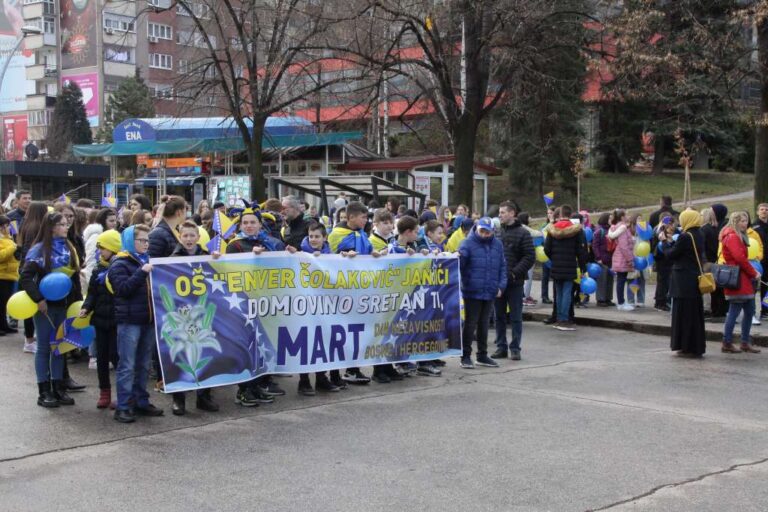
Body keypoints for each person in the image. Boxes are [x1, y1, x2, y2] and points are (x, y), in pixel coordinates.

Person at [20, 212, 82, 408]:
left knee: (59, 347)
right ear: (52, 227)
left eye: (67, 224)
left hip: (64, 305)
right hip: (45, 307)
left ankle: (58, 387)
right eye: (63, 224)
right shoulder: (39, 250)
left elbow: (73, 277)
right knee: (45, 348)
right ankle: (44, 390)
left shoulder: (69, 248)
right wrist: (38, 299)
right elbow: (26, 277)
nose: (67, 227)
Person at [227, 208, 287, 406]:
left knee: (262, 346)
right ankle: (244, 390)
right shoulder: (235, 245)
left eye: (253, 222)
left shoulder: (268, 243)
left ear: (260, 225)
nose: (249, 226)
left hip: (265, 303)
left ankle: (258, 385)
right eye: (245, 223)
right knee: (247, 346)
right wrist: (251, 258)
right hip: (244, 304)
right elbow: (232, 272)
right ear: (240, 225)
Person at [109, 225, 165, 423]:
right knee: (127, 365)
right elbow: (122, 289)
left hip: (148, 320)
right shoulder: (119, 263)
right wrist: (142, 272)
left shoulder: (148, 260)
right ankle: (123, 406)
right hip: (130, 321)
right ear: (129, 241)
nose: (146, 244)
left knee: (143, 365)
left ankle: (141, 400)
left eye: (147, 240)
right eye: (141, 240)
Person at [167, 221, 220, 415]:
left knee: (205, 354)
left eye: (192, 236)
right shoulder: (172, 259)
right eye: (185, 236)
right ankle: (178, 399)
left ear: (198, 237)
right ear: (180, 237)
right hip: (183, 314)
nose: (189, 239)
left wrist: (217, 261)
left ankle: (204, 397)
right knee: (181, 355)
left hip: (203, 313)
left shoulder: (206, 256)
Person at [328, 201, 374, 384]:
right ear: (351, 217)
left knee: (357, 332)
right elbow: (330, 257)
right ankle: (334, 372)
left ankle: (353, 369)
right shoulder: (337, 235)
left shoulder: (362, 234)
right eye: (362, 217)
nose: (365, 220)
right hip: (340, 290)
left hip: (359, 290)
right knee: (339, 332)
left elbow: (368, 253)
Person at [295, 221, 342, 395]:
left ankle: (322, 378)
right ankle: (304, 381)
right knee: (305, 343)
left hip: (325, 306)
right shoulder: (298, 254)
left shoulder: (331, 255)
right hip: (305, 306)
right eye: (311, 236)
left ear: (325, 238)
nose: (313, 240)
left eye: (317, 236)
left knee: (324, 342)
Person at [81, 229, 121, 408]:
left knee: (117, 356)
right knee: (101, 358)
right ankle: (104, 391)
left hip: (116, 320)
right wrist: (86, 307)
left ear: (112, 248)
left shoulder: (120, 267)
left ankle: (122, 392)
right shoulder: (97, 269)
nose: (100, 252)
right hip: (99, 320)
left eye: (103, 248)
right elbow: (91, 294)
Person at [459, 217, 506, 369]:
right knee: (470, 323)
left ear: (493, 231)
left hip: (490, 289)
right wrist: (458, 257)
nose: (485, 234)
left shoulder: (497, 245)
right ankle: (465, 356)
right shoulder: (467, 243)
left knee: (484, 323)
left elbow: (502, 266)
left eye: (488, 232)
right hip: (472, 289)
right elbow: (460, 264)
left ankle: (482, 355)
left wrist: (501, 286)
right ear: (477, 229)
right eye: (482, 231)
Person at [660, 209, 707, 357]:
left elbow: (672, 255)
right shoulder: (698, 234)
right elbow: (685, 251)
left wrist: (664, 243)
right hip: (693, 277)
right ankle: (695, 344)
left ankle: (684, 344)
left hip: (683, 279)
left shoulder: (686, 236)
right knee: (694, 313)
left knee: (683, 313)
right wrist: (672, 241)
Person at [492, 201, 534, 359]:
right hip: (498, 282)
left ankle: (515, 347)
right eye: (500, 212)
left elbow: (530, 256)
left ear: (512, 213)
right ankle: (501, 347)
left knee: (516, 316)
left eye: (503, 212)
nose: (500, 215)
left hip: (515, 282)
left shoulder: (523, 233)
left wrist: (515, 273)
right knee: (499, 316)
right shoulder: (497, 233)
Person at [720, 212, 762, 354]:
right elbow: (740, 258)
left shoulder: (738, 236)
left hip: (742, 278)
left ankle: (745, 342)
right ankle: (727, 342)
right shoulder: (733, 237)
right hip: (737, 278)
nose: (745, 223)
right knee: (734, 311)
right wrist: (754, 272)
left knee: (749, 311)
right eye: (742, 221)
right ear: (735, 222)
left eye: (746, 220)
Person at [544, 205, 587, 331]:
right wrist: (583, 266)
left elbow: (546, 249)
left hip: (556, 265)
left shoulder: (552, 229)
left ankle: (558, 318)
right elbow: (581, 250)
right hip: (570, 265)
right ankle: (564, 319)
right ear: (570, 214)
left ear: (560, 214)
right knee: (567, 292)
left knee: (558, 293)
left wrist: (554, 258)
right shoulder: (577, 230)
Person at [16, 202, 49, 354]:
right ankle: (30, 339)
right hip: (33, 269)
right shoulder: (37, 227)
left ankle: (29, 338)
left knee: (29, 304)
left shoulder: (25, 225)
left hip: (24, 266)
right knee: (33, 304)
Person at [608, 209, 636, 311]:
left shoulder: (617, 227)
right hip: (623, 257)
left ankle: (622, 301)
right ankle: (621, 303)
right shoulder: (623, 228)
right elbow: (624, 246)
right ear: (622, 217)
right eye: (626, 215)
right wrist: (630, 259)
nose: (628, 216)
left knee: (621, 279)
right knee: (621, 280)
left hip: (619, 256)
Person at [709, 203, 729, 319]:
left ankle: (721, 310)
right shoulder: (714, 225)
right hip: (716, 261)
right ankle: (717, 310)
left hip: (722, 261)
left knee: (721, 288)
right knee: (716, 288)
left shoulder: (724, 225)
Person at [653, 214, 676, 312]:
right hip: (662, 259)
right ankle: (660, 302)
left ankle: (661, 300)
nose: (671, 226)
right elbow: (660, 240)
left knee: (664, 281)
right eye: (669, 223)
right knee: (662, 281)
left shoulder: (668, 231)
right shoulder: (660, 231)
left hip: (666, 259)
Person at [0, 215, 19, 335]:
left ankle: (4, 325)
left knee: (4, 303)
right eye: (6, 226)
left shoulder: (8, 238)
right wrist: (12, 247)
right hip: (1, 275)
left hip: (10, 275)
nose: (8, 228)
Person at [592, 212, 615, 307]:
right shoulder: (599, 231)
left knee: (610, 280)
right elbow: (595, 246)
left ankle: (608, 298)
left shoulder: (611, 230)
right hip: (602, 260)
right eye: (610, 219)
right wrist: (598, 258)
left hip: (610, 259)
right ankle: (601, 299)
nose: (611, 220)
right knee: (602, 280)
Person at [627, 214, 646, 308]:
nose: (640, 220)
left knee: (641, 280)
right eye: (638, 218)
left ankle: (641, 299)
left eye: (641, 219)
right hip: (633, 258)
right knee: (632, 279)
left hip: (642, 259)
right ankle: (630, 300)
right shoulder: (629, 231)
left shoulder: (644, 231)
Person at [753, 203, 768, 318]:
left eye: (766, 209)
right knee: (762, 286)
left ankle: (766, 309)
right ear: (758, 212)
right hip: (760, 261)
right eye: (762, 209)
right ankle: (759, 311)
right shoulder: (754, 227)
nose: (764, 211)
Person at [540, 207, 556, 304]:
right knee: (545, 276)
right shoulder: (545, 225)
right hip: (545, 253)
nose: (549, 214)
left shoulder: (557, 224)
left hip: (555, 253)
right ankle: (544, 296)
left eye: (551, 213)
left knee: (555, 276)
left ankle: (556, 295)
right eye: (548, 213)